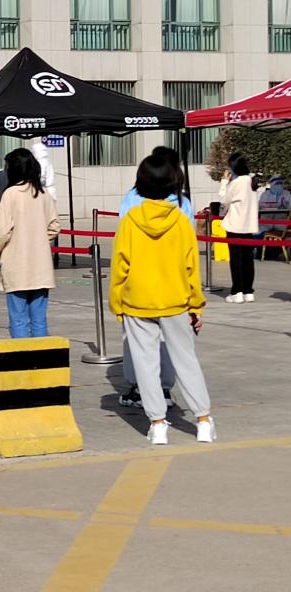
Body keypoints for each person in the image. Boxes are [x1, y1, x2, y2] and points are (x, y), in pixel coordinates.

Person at [109, 153, 215, 446]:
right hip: (175, 300)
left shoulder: (130, 221)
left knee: (145, 364)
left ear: (140, 184)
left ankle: (157, 424)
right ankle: (203, 420)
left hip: (137, 300)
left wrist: (117, 303)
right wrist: (196, 304)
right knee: (186, 360)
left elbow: (120, 265)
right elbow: (191, 266)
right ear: (172, 183)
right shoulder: (181, 220)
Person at [116, 146, 191, 409]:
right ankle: (165, 388)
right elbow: (189, 253)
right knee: (169, 341)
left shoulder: (132, 198)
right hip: (173, 285)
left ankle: (139, 388)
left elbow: (122, 245)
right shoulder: (182, 203)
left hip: (138, 284)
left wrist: (117, 295)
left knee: (136, 342)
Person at [0, 148, 60, 338]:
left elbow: (1, 233)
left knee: (18, 319)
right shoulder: (43, 194)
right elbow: (54, 226)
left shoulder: (10, 194)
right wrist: (39, 240)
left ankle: (22, 354)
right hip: (41, 266)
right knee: (39, 320)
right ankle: (41, 354)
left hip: (16, 264)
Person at [219, 153, 259, 304]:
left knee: (236, 260)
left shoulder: (237, 182)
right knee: (248, 259)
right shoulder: (251, 180)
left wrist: (224, 182)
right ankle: (248, 291)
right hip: (249, 225)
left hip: (235, 225)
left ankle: (237, 291)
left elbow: (224, 199)